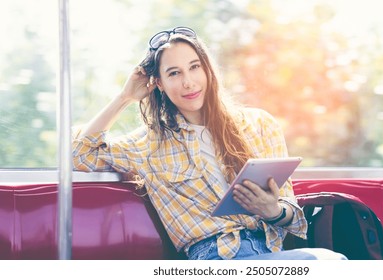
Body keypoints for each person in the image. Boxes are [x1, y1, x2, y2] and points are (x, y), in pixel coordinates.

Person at [72, 26, 346, 260]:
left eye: (194, 67)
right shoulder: (148, 145)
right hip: (213, 259)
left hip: (270, 255)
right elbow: (79, 154)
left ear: (208, 70)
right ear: (159, 84)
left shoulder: (260, 125)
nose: (188, 82)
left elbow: (293, 216)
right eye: (174, 73)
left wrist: (273, 211)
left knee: (332, 263)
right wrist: (125, 98)